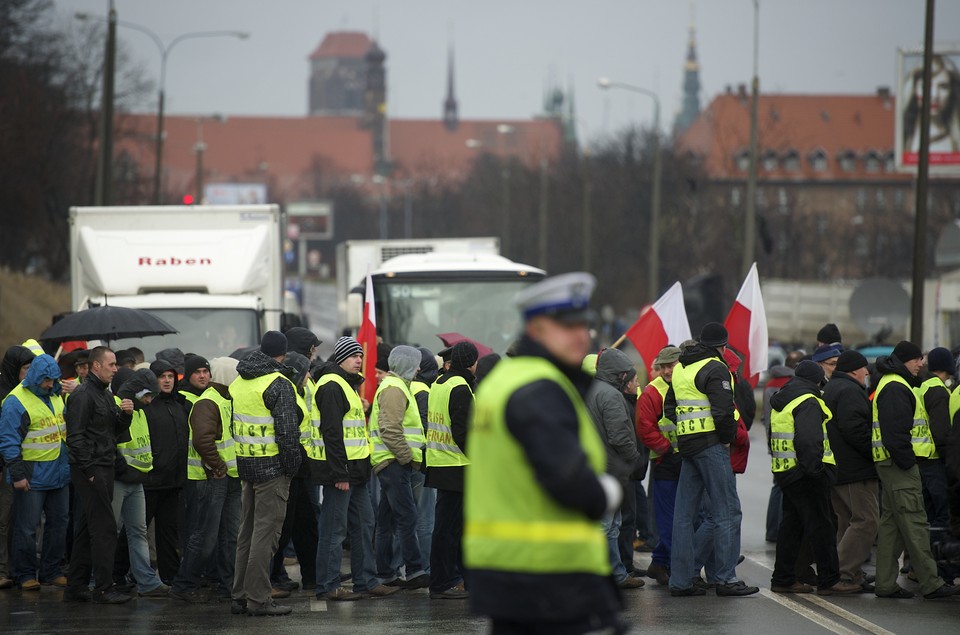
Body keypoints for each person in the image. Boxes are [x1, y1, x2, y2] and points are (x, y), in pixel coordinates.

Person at [465, 272, 626, 634]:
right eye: (566, 326)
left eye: (584, 325)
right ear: (535, 330)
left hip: (510, 573)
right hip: (546, 577)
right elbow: (567, 479)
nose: (581, 335)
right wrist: (607, 492)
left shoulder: (506, 381)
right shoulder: (540, 387)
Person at [664, 323, 758, 597]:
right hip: (711, 445)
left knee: (683, 516)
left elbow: (670, 407)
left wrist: (685, 428)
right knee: (728, 511)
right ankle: (726, 579)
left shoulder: (681, 367)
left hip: (688, 446)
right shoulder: (716, 368)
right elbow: (723, 411)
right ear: (723, 347)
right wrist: (726, 438)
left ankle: (680, 581)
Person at [312, 337, 398, 601]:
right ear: (340, 359)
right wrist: (340, 474)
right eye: (352, 356)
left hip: (357, 471)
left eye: (360, 356)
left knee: (364, 524)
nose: (358, 360)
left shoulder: (347, 384)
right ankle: (328, 585)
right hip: (342, 473)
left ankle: (366, 581)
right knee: (334, 529)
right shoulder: (331, 386)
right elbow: (332, 434)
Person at [872, 341, 958, 599]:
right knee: (916, 523)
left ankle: (885, 583)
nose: (922, 364)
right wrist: (908, 462)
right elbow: (895, 435)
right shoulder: (896, 387)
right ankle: (932, 583)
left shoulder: (893, 383)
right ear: (904, 360)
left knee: (892, 526)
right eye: (917, 360)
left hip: (890, 463)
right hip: (900, 465)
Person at [768, 361, 858, 595]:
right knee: (823, 527)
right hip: (806, 474)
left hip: (787, 471)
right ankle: (830, 580)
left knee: (791, 527)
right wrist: (815, 471)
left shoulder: (783, 398)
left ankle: (783, 578)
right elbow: (809, 441)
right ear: (817, 381)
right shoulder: (808, 400)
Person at [230, 331, 302, 617]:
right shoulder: (279, 383)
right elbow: (287, 432)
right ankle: (259, 599)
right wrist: (292, 466)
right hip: (273, 468)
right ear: (282, 354)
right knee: (265, 534)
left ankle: (239, 594)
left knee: (246, 533)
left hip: (247, 464)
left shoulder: (240, 381)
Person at [65, 346, 134, 604]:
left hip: (104, 465)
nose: (116, 369)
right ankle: (105, 588)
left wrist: (125, 416)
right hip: (91, 469)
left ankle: (76, 585)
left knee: (87, 527)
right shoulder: (83, 395)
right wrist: (90, 471)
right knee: (105, 527)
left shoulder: (104, 394)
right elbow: (75, 437)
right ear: (96, 366)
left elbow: (112, 431)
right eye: (112, 364)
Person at [169, 356, 242, 604]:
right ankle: (184, 584)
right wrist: (219, 465)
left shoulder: (225, 399)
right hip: (211, 478)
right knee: (204, 536)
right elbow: (202, 441)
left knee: (229, 535)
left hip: (228, 478)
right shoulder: (209, 402)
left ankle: (227, 585)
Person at [0, 354, 69, 591]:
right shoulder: (15, 401)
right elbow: (9, 442)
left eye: (53, 380)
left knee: (59, 524)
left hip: (58, 473)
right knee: (27, 528)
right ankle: (25, 574)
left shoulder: (56, 395)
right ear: (36, 378)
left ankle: (51, 571)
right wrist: (18, 475)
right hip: (31, 476)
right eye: (46, 380)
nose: (50, 384)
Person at [369, 345, 429, 589]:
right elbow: (390, 430)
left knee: (387, 520)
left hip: (390, 462)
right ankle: (415, 571)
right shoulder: (394, 389)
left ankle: (385, 572)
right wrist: (408, 458)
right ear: (406, 365)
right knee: (407, 517)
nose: (418, 369)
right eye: (415, 364)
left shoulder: (394, 386)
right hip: (394, 462)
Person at [586, 348, 645, 590]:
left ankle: (613, 571)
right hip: (608, 469)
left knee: (610, 524)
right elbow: (619, 436)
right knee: (607, 525)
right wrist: (635, 458)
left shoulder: (593, 390)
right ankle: (612, 574)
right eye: (634, 378)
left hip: (597, 467)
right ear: (622, 377)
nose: (637, 382)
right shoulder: (610, 396)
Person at [426, 341, 478, 600]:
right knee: (449, 529)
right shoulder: (460, 387)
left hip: (440, 462)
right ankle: (443, 582)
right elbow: (462, 431)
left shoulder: (440, 383)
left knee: (449, 527)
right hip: (457, 465)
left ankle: (455, 579)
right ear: (471, 362)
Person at [822, 349, 878, 591]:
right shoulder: (850, 391)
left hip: (837, 467)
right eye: (864, 368)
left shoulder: (833, 388)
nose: (867, 372)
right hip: (855, 469)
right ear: (855, 370)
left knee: (846, 522)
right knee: (867, 521)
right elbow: (854, 428)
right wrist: (873, 451)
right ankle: (843, 574)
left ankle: (849, 574)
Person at [110, 368, 168, 598]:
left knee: (138, 531)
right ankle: (101, 579)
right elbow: (110, 442)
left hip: (136, 480)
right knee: (108, 531)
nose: (150, 400)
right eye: (147, 395)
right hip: (119, 479)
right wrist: (122, 468)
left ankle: (147, 582)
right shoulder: (116, 406)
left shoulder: (141, 410)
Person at [137, 357, 189, 584]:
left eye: (170, 377)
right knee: (138, 530)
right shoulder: (146, 406)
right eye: (162, 377)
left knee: (168, 533)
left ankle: (171, 577)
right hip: (150, 480)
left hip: (173, 480)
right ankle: (119, 573)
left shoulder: (179, 405)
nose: (167, 381)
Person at [636, 345, 683, 586]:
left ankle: (660, 562)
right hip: (665, 462)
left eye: (671, 365)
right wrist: (666, 448)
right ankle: (675, 568)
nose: (666, 370)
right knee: (669, 520)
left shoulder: (686, 384)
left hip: (684, 459)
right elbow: (646, 428)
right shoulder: (652, 392)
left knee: (681, 517)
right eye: (663, 366)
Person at [0, 345, 37, 591]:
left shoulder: (30, 393)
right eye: (26, 368)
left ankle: (16, 569)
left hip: (24, 466)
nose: (29, 373)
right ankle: (3, 570)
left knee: (21, 521)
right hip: (6, 465)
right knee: (4, 520)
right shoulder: (6, 394)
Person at [916, 347, 953, 534]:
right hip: (935, 458)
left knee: (928, 513)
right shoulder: (938, 390)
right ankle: (937, 559)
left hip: (922, 456)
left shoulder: (923, 386)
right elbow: (941, 431)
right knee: (941, 514)